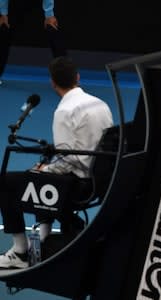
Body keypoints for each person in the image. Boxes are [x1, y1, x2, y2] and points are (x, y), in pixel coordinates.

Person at [0, 56, 113, 268]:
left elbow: (66, 160)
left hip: (78, 185)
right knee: (43, 172)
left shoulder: (64, 111)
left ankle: (20, 253)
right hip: (101, 179)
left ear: (52, 82)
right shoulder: (101, 103)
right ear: (77, 77)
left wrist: (44, 169)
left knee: (7, 181)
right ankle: (45, 239)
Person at [0, 0, 67, 85]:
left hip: (43, 4)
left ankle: (66, 79)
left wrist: (49, 14)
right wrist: (3, 13)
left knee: (53, 28)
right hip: (15, 5)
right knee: (3, 29)